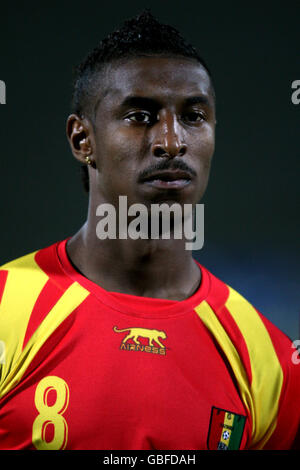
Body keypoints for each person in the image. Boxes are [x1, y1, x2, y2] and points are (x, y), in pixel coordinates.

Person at [0, 10, 299, 451]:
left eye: (194, 116)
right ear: (83, 140)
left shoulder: (268, 357)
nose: (172, 141)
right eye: (141, 115)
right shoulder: (7, 309)